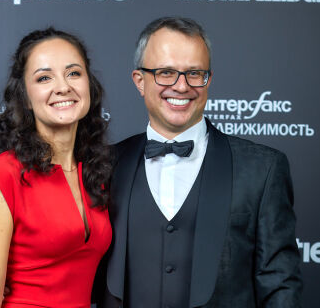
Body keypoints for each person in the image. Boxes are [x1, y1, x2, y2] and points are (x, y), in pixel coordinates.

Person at [99, 17, 302, 307]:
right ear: (140, 81)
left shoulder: (263, 169)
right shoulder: (103, 165)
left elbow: (280, 287)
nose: (181, 86)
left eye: (194, 73)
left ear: (209, 79)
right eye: (166, 73)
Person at [0, 28, 112, 308]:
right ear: (25, 97)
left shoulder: (97, 172)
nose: (63, 87)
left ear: (89, 86)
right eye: (44, 78)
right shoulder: (1, 177)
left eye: (74, 73)